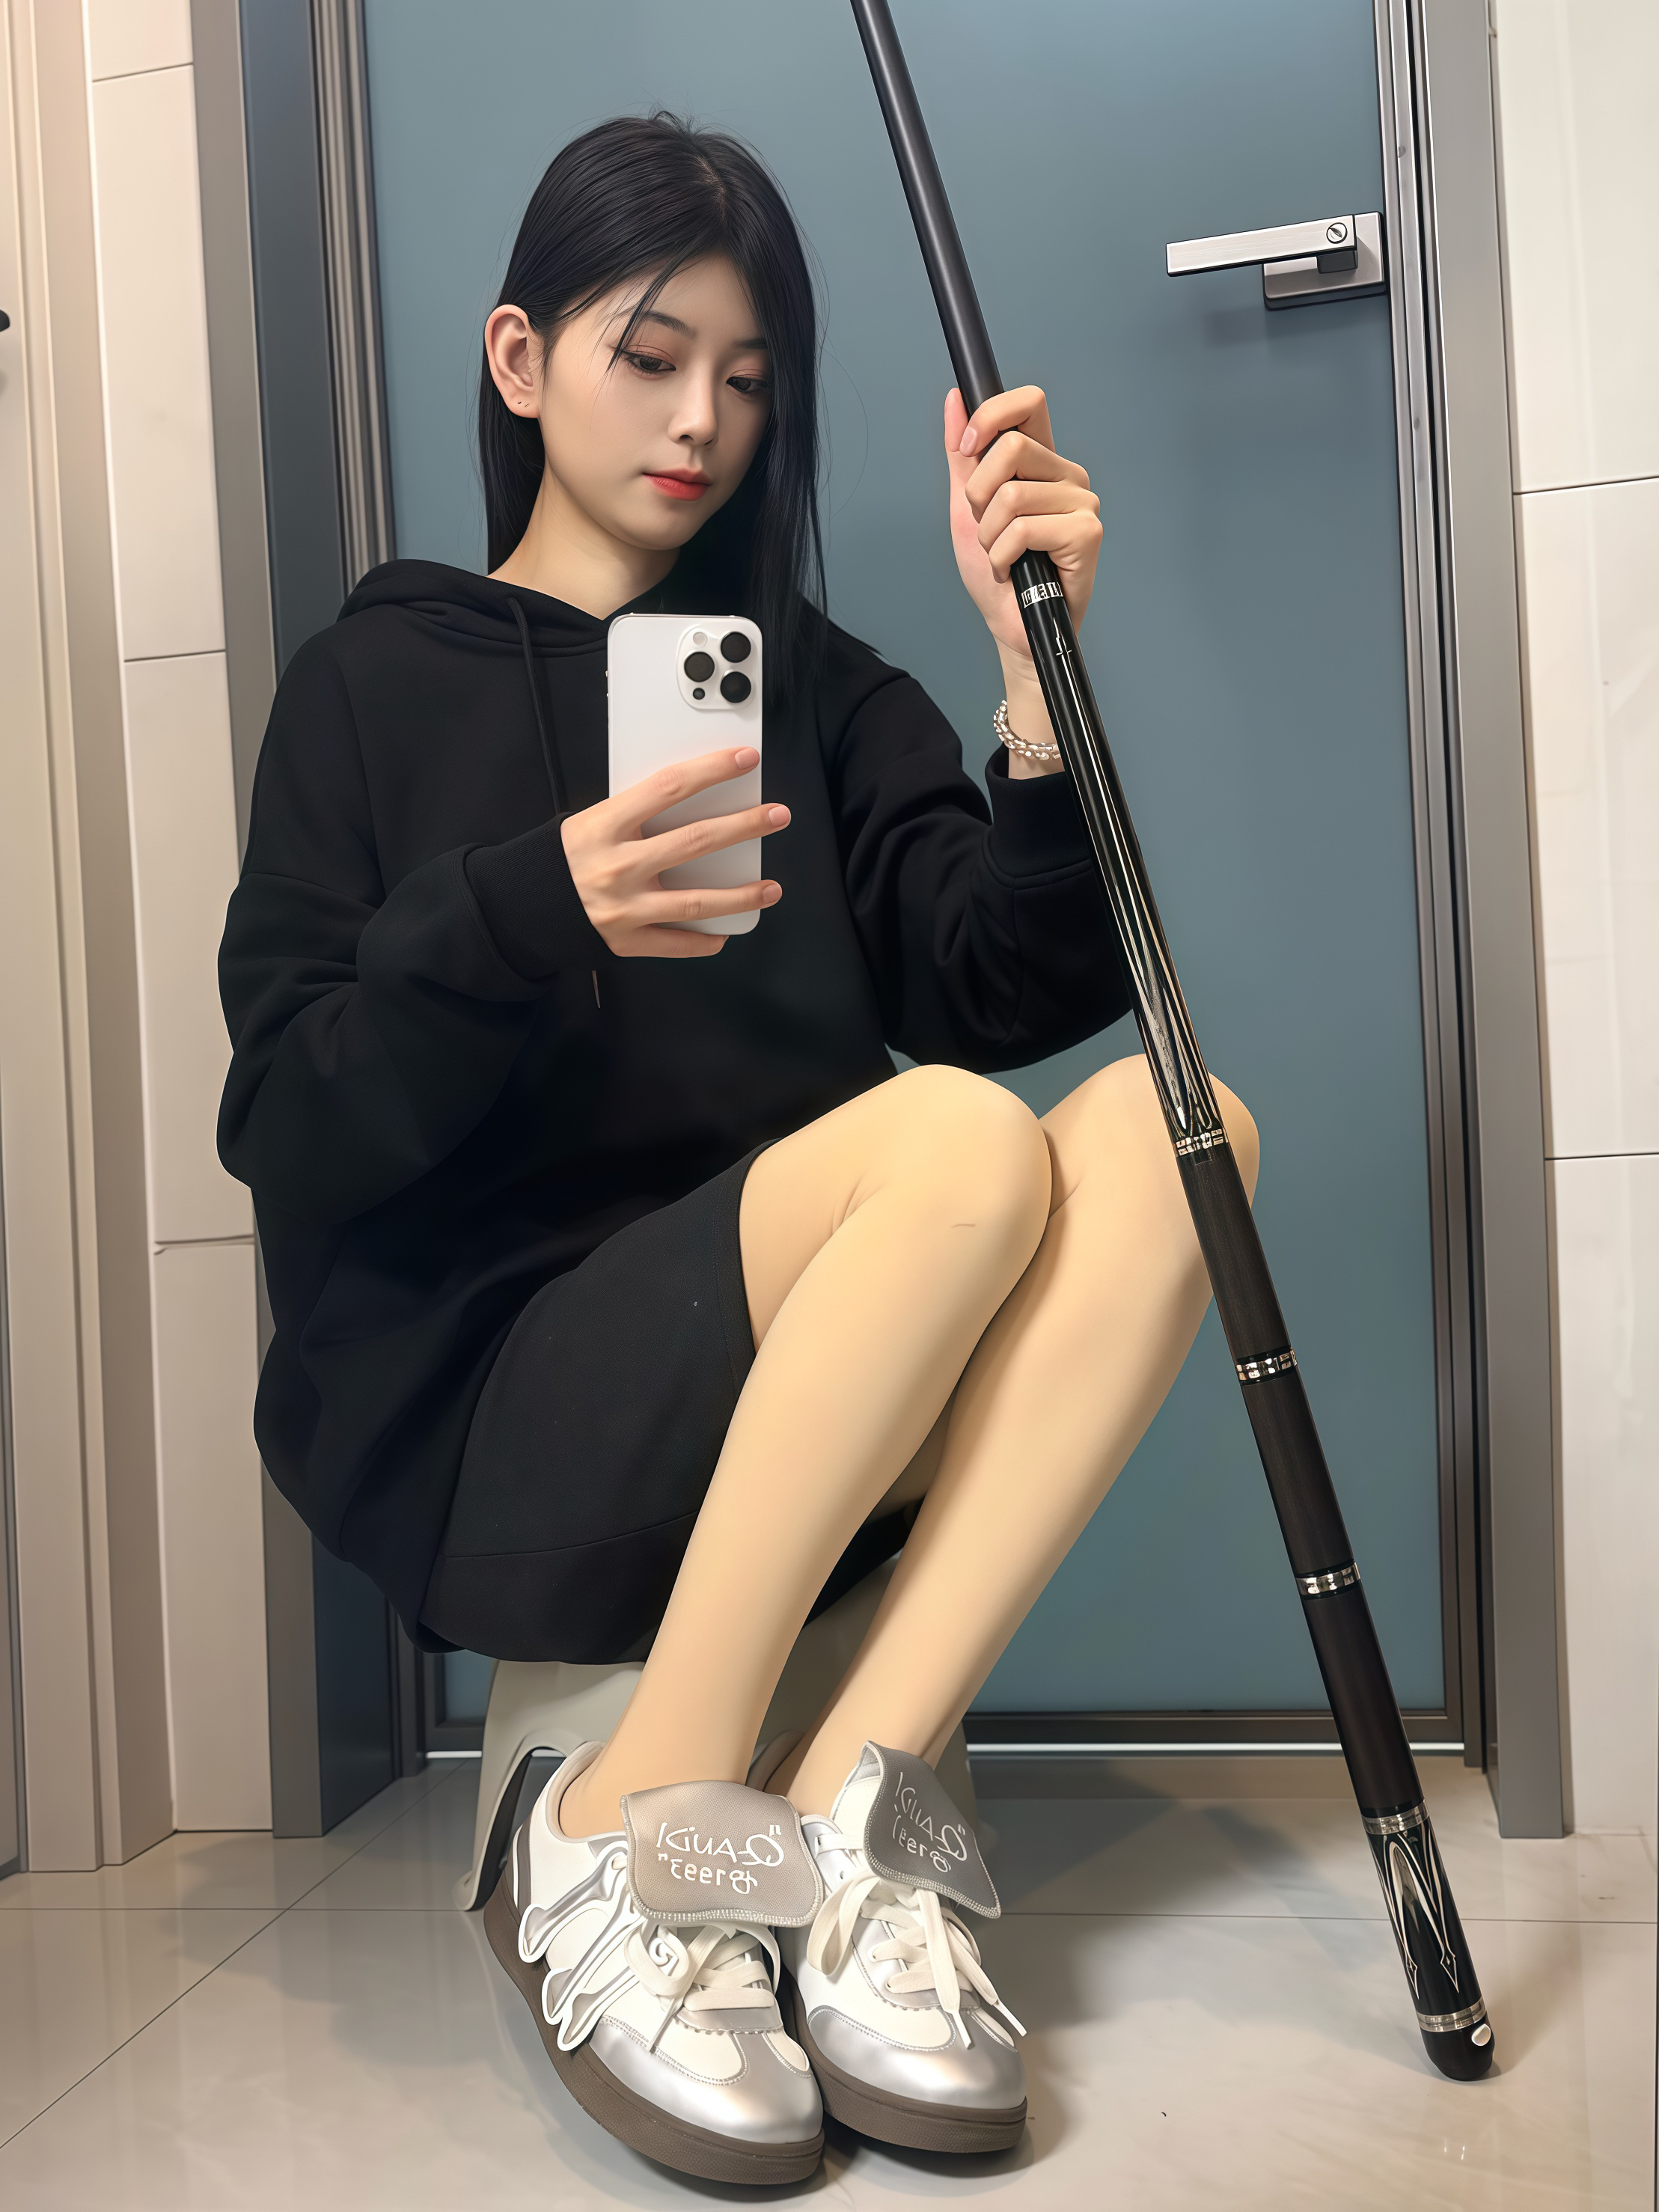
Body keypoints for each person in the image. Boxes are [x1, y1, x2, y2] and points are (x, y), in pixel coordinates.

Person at [219, 114, 1256, 2188]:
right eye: (650, 354)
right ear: (520, 359)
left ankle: (860, 1819)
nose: (704, 419)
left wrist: (1026, 678)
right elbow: (290, 1114)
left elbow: (1002, 977)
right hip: (505, 1412)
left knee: (1183, 1127)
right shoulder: (369, 685)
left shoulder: (817, 690)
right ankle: (631, 1821)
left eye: (751, 376)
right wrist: (530, 905)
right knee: (948, 1140)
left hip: (819, 1383)